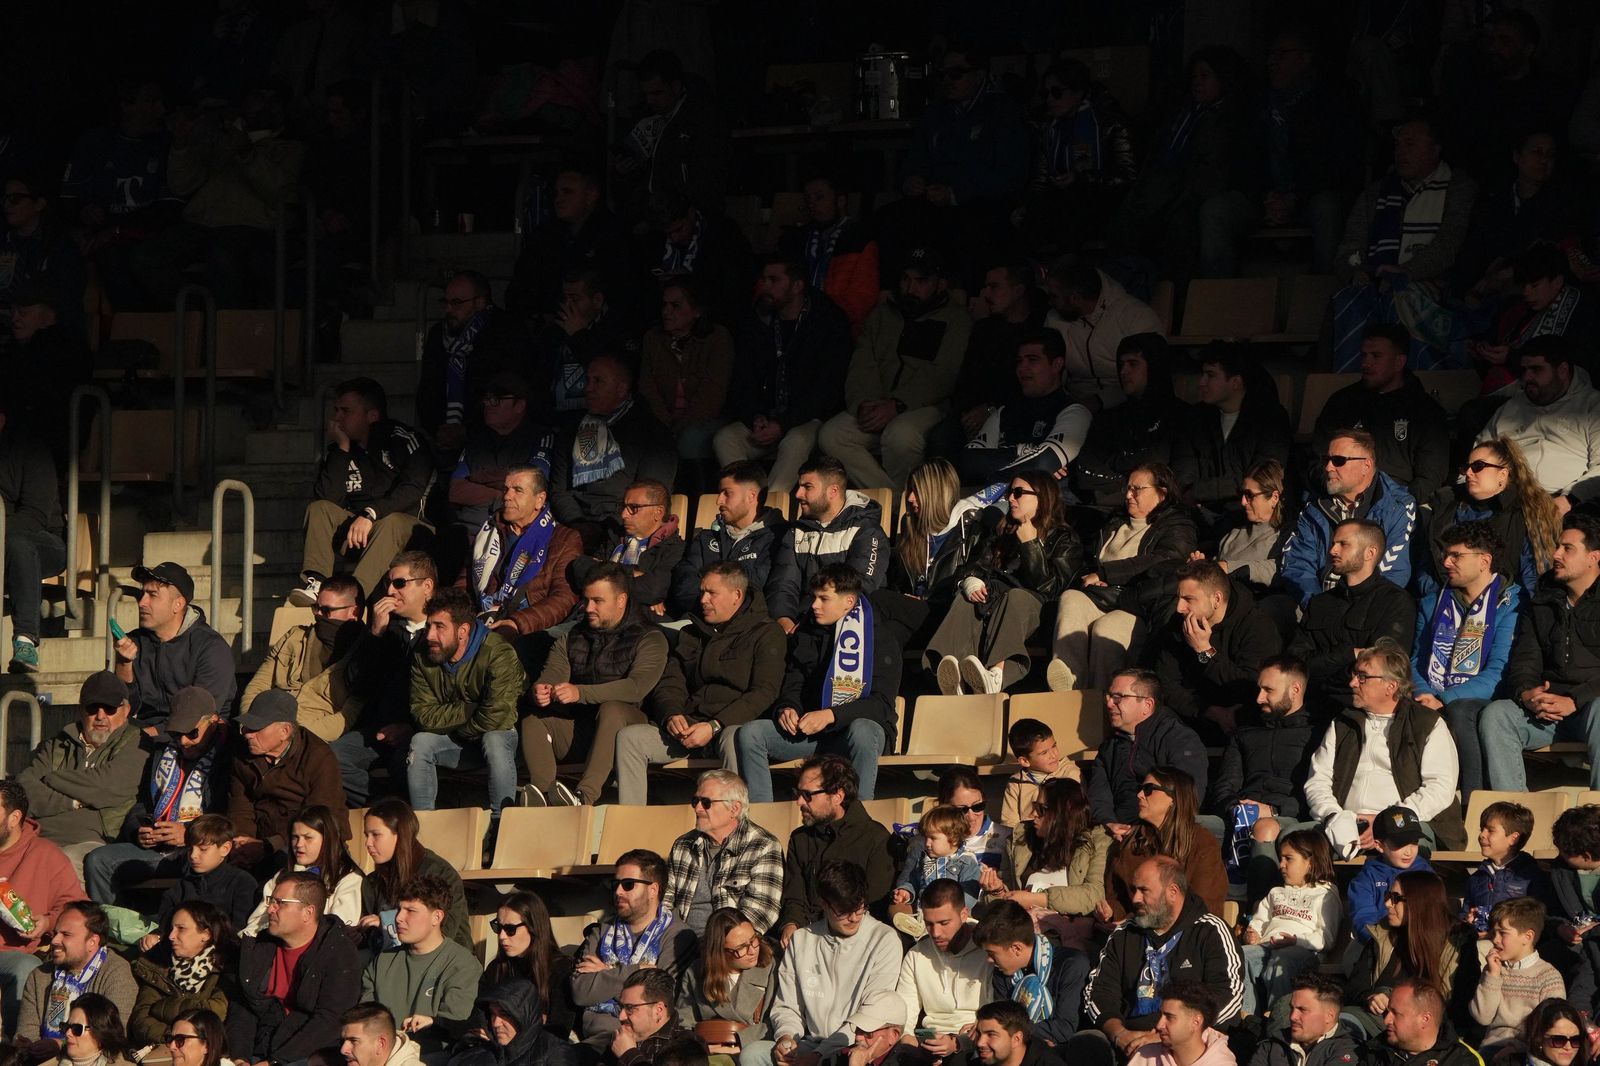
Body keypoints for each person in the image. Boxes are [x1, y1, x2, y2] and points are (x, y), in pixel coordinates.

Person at [1201, 28, 1362, 276]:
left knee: (1328, 208)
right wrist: (1267, 197)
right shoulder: (1256, 103)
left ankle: (1327, 290)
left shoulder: (1331, 102)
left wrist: (1294, 197)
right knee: (1216, 211)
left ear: (1305, 58)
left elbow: (1338, 165)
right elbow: (1243, 161)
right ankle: (1220, 294)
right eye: (1270, 54)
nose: (1273, 61)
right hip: (1263, 200)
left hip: (1309, 196)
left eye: (1282, 53)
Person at [736, 565, 901, 804]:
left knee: (863, 730)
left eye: (824, 599)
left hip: (855, 736)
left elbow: (881, 705)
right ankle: (762, 816)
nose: (814, 605)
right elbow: (793, 682)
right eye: (814, 597)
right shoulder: (807, 632)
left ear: (848, 602)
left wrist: (831, 715)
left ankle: (859, 813)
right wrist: (787, 707)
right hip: (813, 734)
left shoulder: (880, 638)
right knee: (751, 733)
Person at [618, 566, 784, 802]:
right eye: (702, 592)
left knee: (736, 738)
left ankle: (734, 819)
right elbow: (671, 681)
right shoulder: (692, 632)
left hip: (730, 725)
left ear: (736, 595)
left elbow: (764, 692)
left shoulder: (767, 633)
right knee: (630, 738)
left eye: (711, 593)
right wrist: (672, 715)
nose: (703, 600)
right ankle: (629, 819)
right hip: (689, 726)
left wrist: (715, 725)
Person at [1329, 117, 1479, 371]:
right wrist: (1356, 271)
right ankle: (1353, 385)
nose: (1400, 152)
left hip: (1434, 288)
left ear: (1435, 149)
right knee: (1351, 301)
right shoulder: (1376, 193)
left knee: (1402, 300)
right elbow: (1350, 249)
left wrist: (1407, 272)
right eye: (1397, 145)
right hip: (1377, 284)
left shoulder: (1458, 188)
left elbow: (1448, 245)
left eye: (1410, 144)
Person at [819, 248, 972, 489]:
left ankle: (903, 500)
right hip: (878, 403)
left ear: (940, 283)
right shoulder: (883, 314)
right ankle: (891, 498)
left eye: (921, 281)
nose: (911, 288)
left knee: (900, 436)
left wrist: (897, 404)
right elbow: (862, 363)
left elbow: (943, 373)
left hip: (927, 405)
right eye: (906, 279)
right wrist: (864, 402)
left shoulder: (956, 319)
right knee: (832, 435)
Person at [1109, 46, 1257, 284]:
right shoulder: (1180, 116)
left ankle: (1183, 294)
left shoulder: (1230, 119)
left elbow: (1214, 172)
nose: (1197, 82)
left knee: (1180, 223)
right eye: (1194, 76)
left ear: (1223, 78)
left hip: (1190, 197)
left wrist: (1175, 194)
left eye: (1205, 76)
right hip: (1164, 192)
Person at [883, 42, 1026, 286]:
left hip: (981, 202)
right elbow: (915, 159)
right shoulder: (936, 113)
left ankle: (959, 295)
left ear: (979, 75)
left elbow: (1010, 174)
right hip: (932, 200)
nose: (948, 81)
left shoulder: (1002, 112)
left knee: (969, 229)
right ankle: (897, 293)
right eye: (942, 75)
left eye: (956, 74)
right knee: (889, 222)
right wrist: (912, 180)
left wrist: (956, 194)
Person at [524, 565, 668, 807]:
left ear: (621, 600)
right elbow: (552, 673)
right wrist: (541, 690)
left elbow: (636, 688)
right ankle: (544, 795)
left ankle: (584, 797)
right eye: (586, 600)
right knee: (533, 716)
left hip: (628, 728)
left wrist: (580, 693)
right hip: (584, 729)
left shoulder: (649, 637)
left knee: (612, 709)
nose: (588, 608)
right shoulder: (572, 637)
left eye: (598, 601)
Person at [928, 473, 1081, 696]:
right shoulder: (1003, 532)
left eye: (1018, 493)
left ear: (1042, 498)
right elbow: (974, 565)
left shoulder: (1064, 538)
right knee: (967, 599)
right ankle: (950, 674)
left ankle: (997, 675)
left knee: (1016, 597)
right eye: (1010, 492)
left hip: (1037, 612)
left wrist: (1030, 545)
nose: (1010, 498)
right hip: (996, 603)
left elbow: (1050, 589)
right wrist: (970, 580)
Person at [1049, 464, 1199, 692]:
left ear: (1162, 493)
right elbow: (1089, 560)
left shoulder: (1178, 525)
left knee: (1106, 629)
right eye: (1127, 488)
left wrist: (1108, 574)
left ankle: (1099, 700)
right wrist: (1094, 576)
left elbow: (1165, 560)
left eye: (1137, 489)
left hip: (1137, 603)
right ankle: (1068, 682)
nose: (1128, 495)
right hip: (1101, 594)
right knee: (1071, 598)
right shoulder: (1115, 521)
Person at [1306, 643, 1464, 856]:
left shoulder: (1426, 723)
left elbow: (1440, 787)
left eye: (1362, 677)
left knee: (1400, 842)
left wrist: (1388, 821)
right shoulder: (1343, 723)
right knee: (1294, 843)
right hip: (1346, 823)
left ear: (1391, 686)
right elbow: (1318, 780)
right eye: (1354, 674)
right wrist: (1334, 816)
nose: (1352, 683)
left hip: (1408, 821)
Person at [1480, 514, 1600, 792]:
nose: (1556, 554)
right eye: (1557, 546)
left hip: (1590, 707)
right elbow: (1525, 659)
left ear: (1593, 557)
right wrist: (1527, 694)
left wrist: (1575, 699)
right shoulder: (1544, 599)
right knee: (1497, 715)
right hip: (1546, 710)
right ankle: (1513, 813)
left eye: (1568, 548)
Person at [290, 379, 433, 608]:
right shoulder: (339, 451)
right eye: (336, 410)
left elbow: (413, 488)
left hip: (409, 530)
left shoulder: (401, 439)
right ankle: (317, 583)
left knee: (391, 522)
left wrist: (371, 513)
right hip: (360, 533)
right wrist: (342, 449)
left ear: (372, 415)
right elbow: (327, 499)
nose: (337, 418)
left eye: (345, 411)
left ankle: (354, 596)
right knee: (319, 509)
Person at [1079, 857, 1244, 1054]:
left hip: (1189, 1045)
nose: (1135, 899)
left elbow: (1229, 995)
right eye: (1134, 890)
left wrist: (1166, 1036)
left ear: (1172, 892)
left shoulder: (1210, 931)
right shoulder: (1125, 933)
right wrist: (1119, 1033)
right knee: (1087, 1045)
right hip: (1128, 1039)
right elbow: (1099, 990)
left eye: (1144, 890)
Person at [720, 258, 853, 491]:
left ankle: (771, 505)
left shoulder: (827, 321)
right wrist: (755, 415)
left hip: (809, 417)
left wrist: (783, 423)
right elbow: (743, 379)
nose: (765, 286)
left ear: (797, 286)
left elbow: (827, 389)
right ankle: (745, 501)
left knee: (796, 442)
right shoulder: (758, 320)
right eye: (764, 280)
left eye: (774, 280)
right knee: (725, 438)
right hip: (767, 418)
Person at [1411, 522, 1520, 805]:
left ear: (1484, 561)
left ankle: (1474, 804)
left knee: (1461, 711)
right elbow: (1416, 660)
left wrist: (1444, 699)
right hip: (1431, 695)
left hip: (1488, 699)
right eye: (1446, 555)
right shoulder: (1433, 603)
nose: (1446, 562)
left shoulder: (1512, 603)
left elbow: (1498, 672)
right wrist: (1425, 694)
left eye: (1456, 555)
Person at [762, 860, 905, 1066]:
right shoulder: (802, 939)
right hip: (807, 1044)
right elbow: (787, 1005)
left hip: (853, 1046)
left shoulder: (884, 939)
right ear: (824, 903)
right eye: (843, 911)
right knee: (753, 1054)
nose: (853, 918)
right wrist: (786, 1038)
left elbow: (870, 1016)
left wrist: (818, 1056)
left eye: (859, 909)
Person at [15, 672, 148, 880]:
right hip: (37, 837)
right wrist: (74, 802)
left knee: (63, 861)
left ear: (126, 710)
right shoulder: (58, 744)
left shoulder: (136, 742)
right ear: (81, 709)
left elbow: (107, 786)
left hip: (97, 843)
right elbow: (24, 791)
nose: (100, 716)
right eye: (93, 708)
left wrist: (53, 778)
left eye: (110, 708)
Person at [1204, 658, 1321, 894]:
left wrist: (1273, 810)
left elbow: (1321, 791)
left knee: (1264, 828)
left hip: (1290, 818)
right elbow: (1225, 786)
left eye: (1268, 690)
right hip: (1238, 816)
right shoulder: (1245, 734)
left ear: (1295, 689)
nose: (1259, 698)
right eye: (1259, 689)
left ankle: (1258, 908)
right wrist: (1237, 809)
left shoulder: (1317, 735)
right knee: (1188, 828)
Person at [407, 587, 525, 819]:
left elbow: (498, 715)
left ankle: (501, 822)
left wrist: (460, 728)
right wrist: (469, 710)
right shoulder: (423, 656)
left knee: (494, 739)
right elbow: (423, 714)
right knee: (420, 743)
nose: (429, 635)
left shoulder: (498, 653)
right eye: (429, 626)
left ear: (463, 631)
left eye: (439, 627)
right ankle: (422, 825)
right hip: (461, 744)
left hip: (506, 743)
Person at [228, 872, 362, 1065]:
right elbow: (244, 1006)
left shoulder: (338, 953)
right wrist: (239, 1058)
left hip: (308, 1055)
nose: (270, 909)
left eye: (280, 903)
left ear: (308, 912)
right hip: (258, 1049)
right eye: (271, 901)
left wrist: (275, 1062)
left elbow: (330, 1020)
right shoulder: (261, 947)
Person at [572, 849, 698, 1050]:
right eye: (615, 884)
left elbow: (660, 999)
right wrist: (636, 971)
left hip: (646, 1046)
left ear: (653, 889)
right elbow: (580, 992)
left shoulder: (677, 936)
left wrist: (605, 973)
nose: (618, 892)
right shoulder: (602, 931)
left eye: (628, 884)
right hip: (596, 1040)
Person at [1311, 324, 1449, 505]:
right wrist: (1340, 495)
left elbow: (1431, 476)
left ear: (1399, 362)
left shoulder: (1425, 410)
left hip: (1402, 505)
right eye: (1364, 355)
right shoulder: (1342, 402)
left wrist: (1396, 506)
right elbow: (1317, 462)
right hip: (1342, 500)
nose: (1366, 363)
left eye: (1376, 356)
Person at [1147, 560, 1283, 742]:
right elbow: (1165, 682)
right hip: (1192, 715)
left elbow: (1252, 688)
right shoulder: (1179, 623)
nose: (1179, 608)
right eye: (1178, 597)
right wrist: (1209, 711)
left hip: (1242, 722)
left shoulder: (1257, 627)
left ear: (1217, 599)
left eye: (1188, 599)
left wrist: (1205, 651)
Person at [1288, 520, 1418, 708]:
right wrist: (1349, 654)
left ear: (1370, 553)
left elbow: (1382, 668)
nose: (1333, 550)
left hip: (1359, 706)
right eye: (1334, 543)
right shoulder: (1320, 603)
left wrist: (1325, 669)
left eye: (1343, 544)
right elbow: (1295, 663)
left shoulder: (1395, 602)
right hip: (1312, 701)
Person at [341, 551, 437, 805]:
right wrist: (375, 633)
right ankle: (386, 808)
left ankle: (395, 813)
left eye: (400, 583)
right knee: (331, 758)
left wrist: (411, 729)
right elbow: (358, 685)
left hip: (421, 732)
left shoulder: (442, 631)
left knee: (405, 763)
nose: (391, 591)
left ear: (427, 587)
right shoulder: (385, 629)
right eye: (389, 583)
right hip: (379, 731)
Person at [1281, 430, 1417, 607]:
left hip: (1370, 610)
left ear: (1366, 466)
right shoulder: (1314, 507)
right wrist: (1317, 607)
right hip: (1316, 606)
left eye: (1338, 460)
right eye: (1326, 459)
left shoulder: (1398, 507)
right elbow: (1298, 565)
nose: (1328, 467)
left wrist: (1350, 612)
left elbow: (1394, 573)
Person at [1017, 59, 1136, 255]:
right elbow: (1041, 178)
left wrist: (1083, 178)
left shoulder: (1109, 125)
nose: (1050, 99)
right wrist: (1027, 205)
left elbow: (1128, 177)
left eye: (1057, 92)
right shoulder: (1050, 129)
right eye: (1045, 94)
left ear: (1079, 92)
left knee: (1072, 207)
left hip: (1101, 202)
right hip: (1060, 202)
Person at [550, 353, 679, 531]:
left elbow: (650, 500)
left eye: (598, 381)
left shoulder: (653, 434)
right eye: (587, 381)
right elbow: (559, 491)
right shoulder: (571, 431)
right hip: (574, 526)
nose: (588, 388)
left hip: (624, 529)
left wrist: (606, 531)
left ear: (621, 389)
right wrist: (578, 524)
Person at [775, 756, 894, 948]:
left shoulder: (875, 839)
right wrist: (791, 924)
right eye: (798, 793)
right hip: (807, 937)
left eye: (807, 795)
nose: (799, 801)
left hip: (856, 941)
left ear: (838, 796)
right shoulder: (800, 838)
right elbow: (794, 896)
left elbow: (875, 906)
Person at [1418, 437, 1558, 599]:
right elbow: (1426, 569)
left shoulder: (1525, 514)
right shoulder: (1445, 507)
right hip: (1442, 601)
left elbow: (1533, 578)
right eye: (1466, 467)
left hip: (1503, 604)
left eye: (1478, 466)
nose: (1469, 473)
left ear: (1503, 474)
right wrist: (1441, 599)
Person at [241, 574, 370, 745]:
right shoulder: (295, 637)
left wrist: (293, 737)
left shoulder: (366, 651)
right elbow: (258, 685)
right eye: (316, 607)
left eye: (326, 611)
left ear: (354, 612)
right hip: (268, 729)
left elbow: (349, 714)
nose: (318, 615)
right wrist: (251, 725)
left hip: (315, 739)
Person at [225, 690, 348, 869]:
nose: (247, 734)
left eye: (256, 729)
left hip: (306, 841)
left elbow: (318, 817)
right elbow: (240, 807)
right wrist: (242, 843)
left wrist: (270, 845)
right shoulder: (242, 755)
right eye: (246, 728)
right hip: (259, 838)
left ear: (284, 731)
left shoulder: (318, 757)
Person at [983, 778, 1109, 951]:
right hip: (1022, 933)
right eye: (1035, 806)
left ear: (1063, 813)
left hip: (1070, 938)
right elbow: (1005, 899)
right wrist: (996, 891)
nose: (1033, 814)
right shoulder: (1020, 840)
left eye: (1041, 809)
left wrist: (1038, 899)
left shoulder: (1096, 842)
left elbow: (1093, 895)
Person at [362, 875, 481, 1055]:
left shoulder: (462, 965)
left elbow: (453, 1027)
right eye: (399, 909)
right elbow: (365, 1020)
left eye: (411, 910)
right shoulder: (382, 961)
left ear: (437, 917)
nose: (399, 918)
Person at [1343, 873, 1473, 1038]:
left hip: (1429, 1032)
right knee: (1343, 1024)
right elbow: (1355, 985)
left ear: (1419, 902)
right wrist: (1371, 997)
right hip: (1377, 1023)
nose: (1387, 903)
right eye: (1388, 895)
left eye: (1395, 898)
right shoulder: (1383, 933)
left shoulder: (1458, 942)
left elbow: (1462, 1007)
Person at [0, 780, 83, 1036]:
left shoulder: (45, 854)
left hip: (11, 954)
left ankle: (18, 1047)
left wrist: (48, 922)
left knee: (25, 967)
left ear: (14, 818)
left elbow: (79, 909)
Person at [1474, 338, 1600, 506]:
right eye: (1524, 370)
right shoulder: (1512, 407)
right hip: (1504, 498)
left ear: (1562, 371)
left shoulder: (1592, 406)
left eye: (1536, 369)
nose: (1527, 377)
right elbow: (1480, 452)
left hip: (1566, 502)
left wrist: (1569, 500)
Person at [768, 456, 888, 631]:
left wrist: (807, 623)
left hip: (849, 629)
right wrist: (784, 619)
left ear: (833, 491)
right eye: (799, 486)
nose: (798, 494)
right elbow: (783, 584)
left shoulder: (866, 531)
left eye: (807, 487)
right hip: (799, 625)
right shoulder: (796, 531)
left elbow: (857, 589)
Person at [1171, 347, 1293, 518]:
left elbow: (1263, 478)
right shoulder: (1196, 418)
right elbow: (1182, 474)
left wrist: (1199, 491)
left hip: (1248, 514)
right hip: (1200, 514)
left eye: (1211, 375)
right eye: (1203, 374)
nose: (1202, 382)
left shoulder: (1270, 418)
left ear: (1235, 382)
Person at [465, 464, 584, 640]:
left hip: (527, 630)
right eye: (506, 489)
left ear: (539, 500)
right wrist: (455, 615)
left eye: (518, 490)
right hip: (482, 617)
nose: (507, 496)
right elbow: (465, 582)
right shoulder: (492, 529)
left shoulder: (564, 539)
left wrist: (516, 624)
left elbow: (563, 599)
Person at [958, 332, 1093, 486]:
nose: (1022, 368)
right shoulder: (1005, 411)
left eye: (1032, 360)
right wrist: (1024, 451)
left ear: (1057, 364)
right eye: (1019, 361)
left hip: (1046, 499)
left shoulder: (1074, 412)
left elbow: (1042, 463)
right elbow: (968, 462)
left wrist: (995, 465)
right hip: (992, 495)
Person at [115, 561, 237, 731]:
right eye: (142, 594)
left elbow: (201, 715)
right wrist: (124, 664)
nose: (142, 602)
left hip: (196, 736)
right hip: (144, 732)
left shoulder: (211, 647)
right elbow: (126, 706)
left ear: (178, 604)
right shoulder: (135, 641)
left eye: (152, 595)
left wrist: (148, 735)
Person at [659, 771, 784, 936]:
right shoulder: (683, 845)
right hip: (681, 940)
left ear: (734, 809)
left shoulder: (763, 846)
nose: (697, 808)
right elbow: (666, 902)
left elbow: (760, 912)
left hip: (731, 944)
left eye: (706, 803)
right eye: (695, 801)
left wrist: (717, 944)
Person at [417, 271, 530, 452]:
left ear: (479, 302)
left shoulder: (507, 331)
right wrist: (438, 428)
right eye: (445, 302)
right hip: (444, 436)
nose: (448, 309)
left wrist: (469, 430)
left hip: (494, 437)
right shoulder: (439, 334)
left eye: (457, 303)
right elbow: (429, 387)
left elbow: (512, 385)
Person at [506, 164, 632, 325]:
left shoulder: (613, 235)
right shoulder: (544, 237)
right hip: (544, 326)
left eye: (568, 192)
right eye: (556, 193)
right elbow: (519, 287)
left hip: (597, 327)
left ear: (591, 195)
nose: (559, 199)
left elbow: (621, 290)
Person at [1074, 335, 1191, 508]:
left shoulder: (1183, 416)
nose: (1123, 371)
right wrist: (1136, 488)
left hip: (1164, 513)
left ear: (1154, 366)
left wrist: (1115, 463)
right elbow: (1085, 471)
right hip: (1107, 510)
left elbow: (1177, 476)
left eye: (1133, 364)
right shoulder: (1110, 418)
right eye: (1121, 364)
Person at [1100, 767, 1227, 921]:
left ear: (1174, 798)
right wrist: (1111, 911)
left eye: (1149, 789)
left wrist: (1137, 922)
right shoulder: (1130, 841)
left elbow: (1205, 905)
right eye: (1140, 789)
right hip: (1133, 930)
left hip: (1185, 931)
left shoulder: (1202, 843)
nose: (1139, 795)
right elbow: (1117, 897)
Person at [446, 372, 559, 543]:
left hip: (513, 536)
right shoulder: (476, 441)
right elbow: (456, 491)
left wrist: (477, 479)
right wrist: (510, 493)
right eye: (487, 398)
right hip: (467, 532)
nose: (487, 404)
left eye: (496, 399)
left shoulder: (541, 437)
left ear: (519, 405)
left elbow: (532, 486)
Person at [613, 49, 727, 219]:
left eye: (657, 93)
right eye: (646, 94)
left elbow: (708, 180)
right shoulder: (643, 119)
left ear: (676, 86)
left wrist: (686, 212)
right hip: (645, 216)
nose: (650, 100)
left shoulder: (701, 119)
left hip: (681, 216)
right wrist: (622, 172)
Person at [669, 462, 794, 616]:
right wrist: (713, 606)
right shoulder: (706, 538)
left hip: (750, 626)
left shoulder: (780, 538)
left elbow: (764, 590)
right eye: (719, 493)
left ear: (751, 496)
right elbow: (684, 585)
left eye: (727, 493)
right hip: (699, 619)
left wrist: (714, 598)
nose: (719, 501)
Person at [1086, 672, 1208, 828]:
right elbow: (1099, 797)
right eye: (1109, 696)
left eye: (1119, 697)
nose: (1109, 704)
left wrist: (1144, 831)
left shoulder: (1180, 739)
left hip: (1164, 830)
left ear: (1147, 705)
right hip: (1116, 832)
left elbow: (1187, 796)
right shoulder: (1109, 748)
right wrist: (1109, 824)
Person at [1239, 832, 1339, 1019]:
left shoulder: (1325, 895)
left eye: (1288, 859)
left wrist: (1296, 941)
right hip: (1267, 946)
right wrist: (1252, 933)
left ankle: (1278, 1018)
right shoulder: (1275, 892)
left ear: (1311, 862)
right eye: (1281, 858)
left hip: (1302, 953)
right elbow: (1259, 921)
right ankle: (1247, 1017)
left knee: (1281, 962)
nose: (1281, 865)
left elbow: (1326, 938)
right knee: (1241, 956)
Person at [16, 902, 136, 1056]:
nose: (54, 940)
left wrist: (60, 1045)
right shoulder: (39, 975)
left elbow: (113, 1036)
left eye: (66, 935)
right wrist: (31, 1047)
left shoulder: (116, 972)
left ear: (92, 942)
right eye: (56, 933)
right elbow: (26, 1030)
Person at [1042, 259, 1164, 408]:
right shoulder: (1054, 319)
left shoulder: (1137, 316)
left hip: (1129, 404)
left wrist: (1100, 401)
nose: (1050, 302)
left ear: (1075, 299)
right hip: (1074, 405)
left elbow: (1151, 376)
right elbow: (1052, 372)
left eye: (1054, 296)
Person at [895, 879, 992, 1059]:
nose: (936, 933)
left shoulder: (987, 952)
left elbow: (996, 1017)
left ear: (964, 914)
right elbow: (904, 1014)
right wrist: (908, 1039)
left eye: (944, 923)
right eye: (929, 924)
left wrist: (958, 1042)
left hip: (976, 1039)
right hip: (928, 1035)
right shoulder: (916, 955)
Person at [529, 267, 641, 424]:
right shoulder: (553, 332)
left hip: (601, 421)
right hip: (555, 420)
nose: (568, 305)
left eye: (575, 299)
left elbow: (616, 372)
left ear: (597, 300)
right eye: (565, 299)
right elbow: (540, 380)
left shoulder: (618, 330)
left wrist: (579, 336)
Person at [640, 279, 735, 462]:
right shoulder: (653, 339)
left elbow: (712, 395)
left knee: (691, 439)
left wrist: (680, 426)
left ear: (696, 311)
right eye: (664, 305)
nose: (666, 311)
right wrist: (666, 423)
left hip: (707, 419)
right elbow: (648, 389)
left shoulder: (717, 338)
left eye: (675, 305)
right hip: (665, 420)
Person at [360, 800, 471, 951]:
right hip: (388, 960)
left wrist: (388, 925)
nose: (368, 843)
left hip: (443, 961)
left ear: (401, 835)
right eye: (366, 835)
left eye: (376, 835)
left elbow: (442, 934)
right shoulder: (372, 882)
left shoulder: (439, 874)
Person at [953, 264, 1049, 436]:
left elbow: (1035, 388)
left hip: (1019, 416)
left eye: (994, 287)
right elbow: (966, 379)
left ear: (1018, 291)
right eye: (986, 287)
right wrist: (968, 412)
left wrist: (992, 408)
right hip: (972, 415)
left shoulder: (1040, 331)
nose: (987, 294)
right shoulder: (984, 329)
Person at [779, 174, 880, 337]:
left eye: (819, 197)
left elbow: (861, 298)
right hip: (794, 325)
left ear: (841, 201)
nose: (812, 204)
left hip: (839, 330)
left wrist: (820, 317)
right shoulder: (794, 240)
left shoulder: (860, 239)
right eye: (808, 199)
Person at [0, 413, 63, 672]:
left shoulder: (31, 450)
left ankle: (25, 641)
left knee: (18, 545)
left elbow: (35, 515)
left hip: (42, 542)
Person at [126, 901, 233, 1049]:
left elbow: (216, 1011)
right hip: (166, 1049)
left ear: (206, 934)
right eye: (171, 929)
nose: (171, 936)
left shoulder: (224, 969)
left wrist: (163, 1007)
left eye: (181, 928)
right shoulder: (158, 966)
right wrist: (178, 1039)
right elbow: (142, 1021)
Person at [245, 805, 364, 933]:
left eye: (308, 838)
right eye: (295, 837)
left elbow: (340, 927)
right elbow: (256, 923)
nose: (299, 844)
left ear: (327, 839)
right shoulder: (282, 875)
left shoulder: (348, 878)